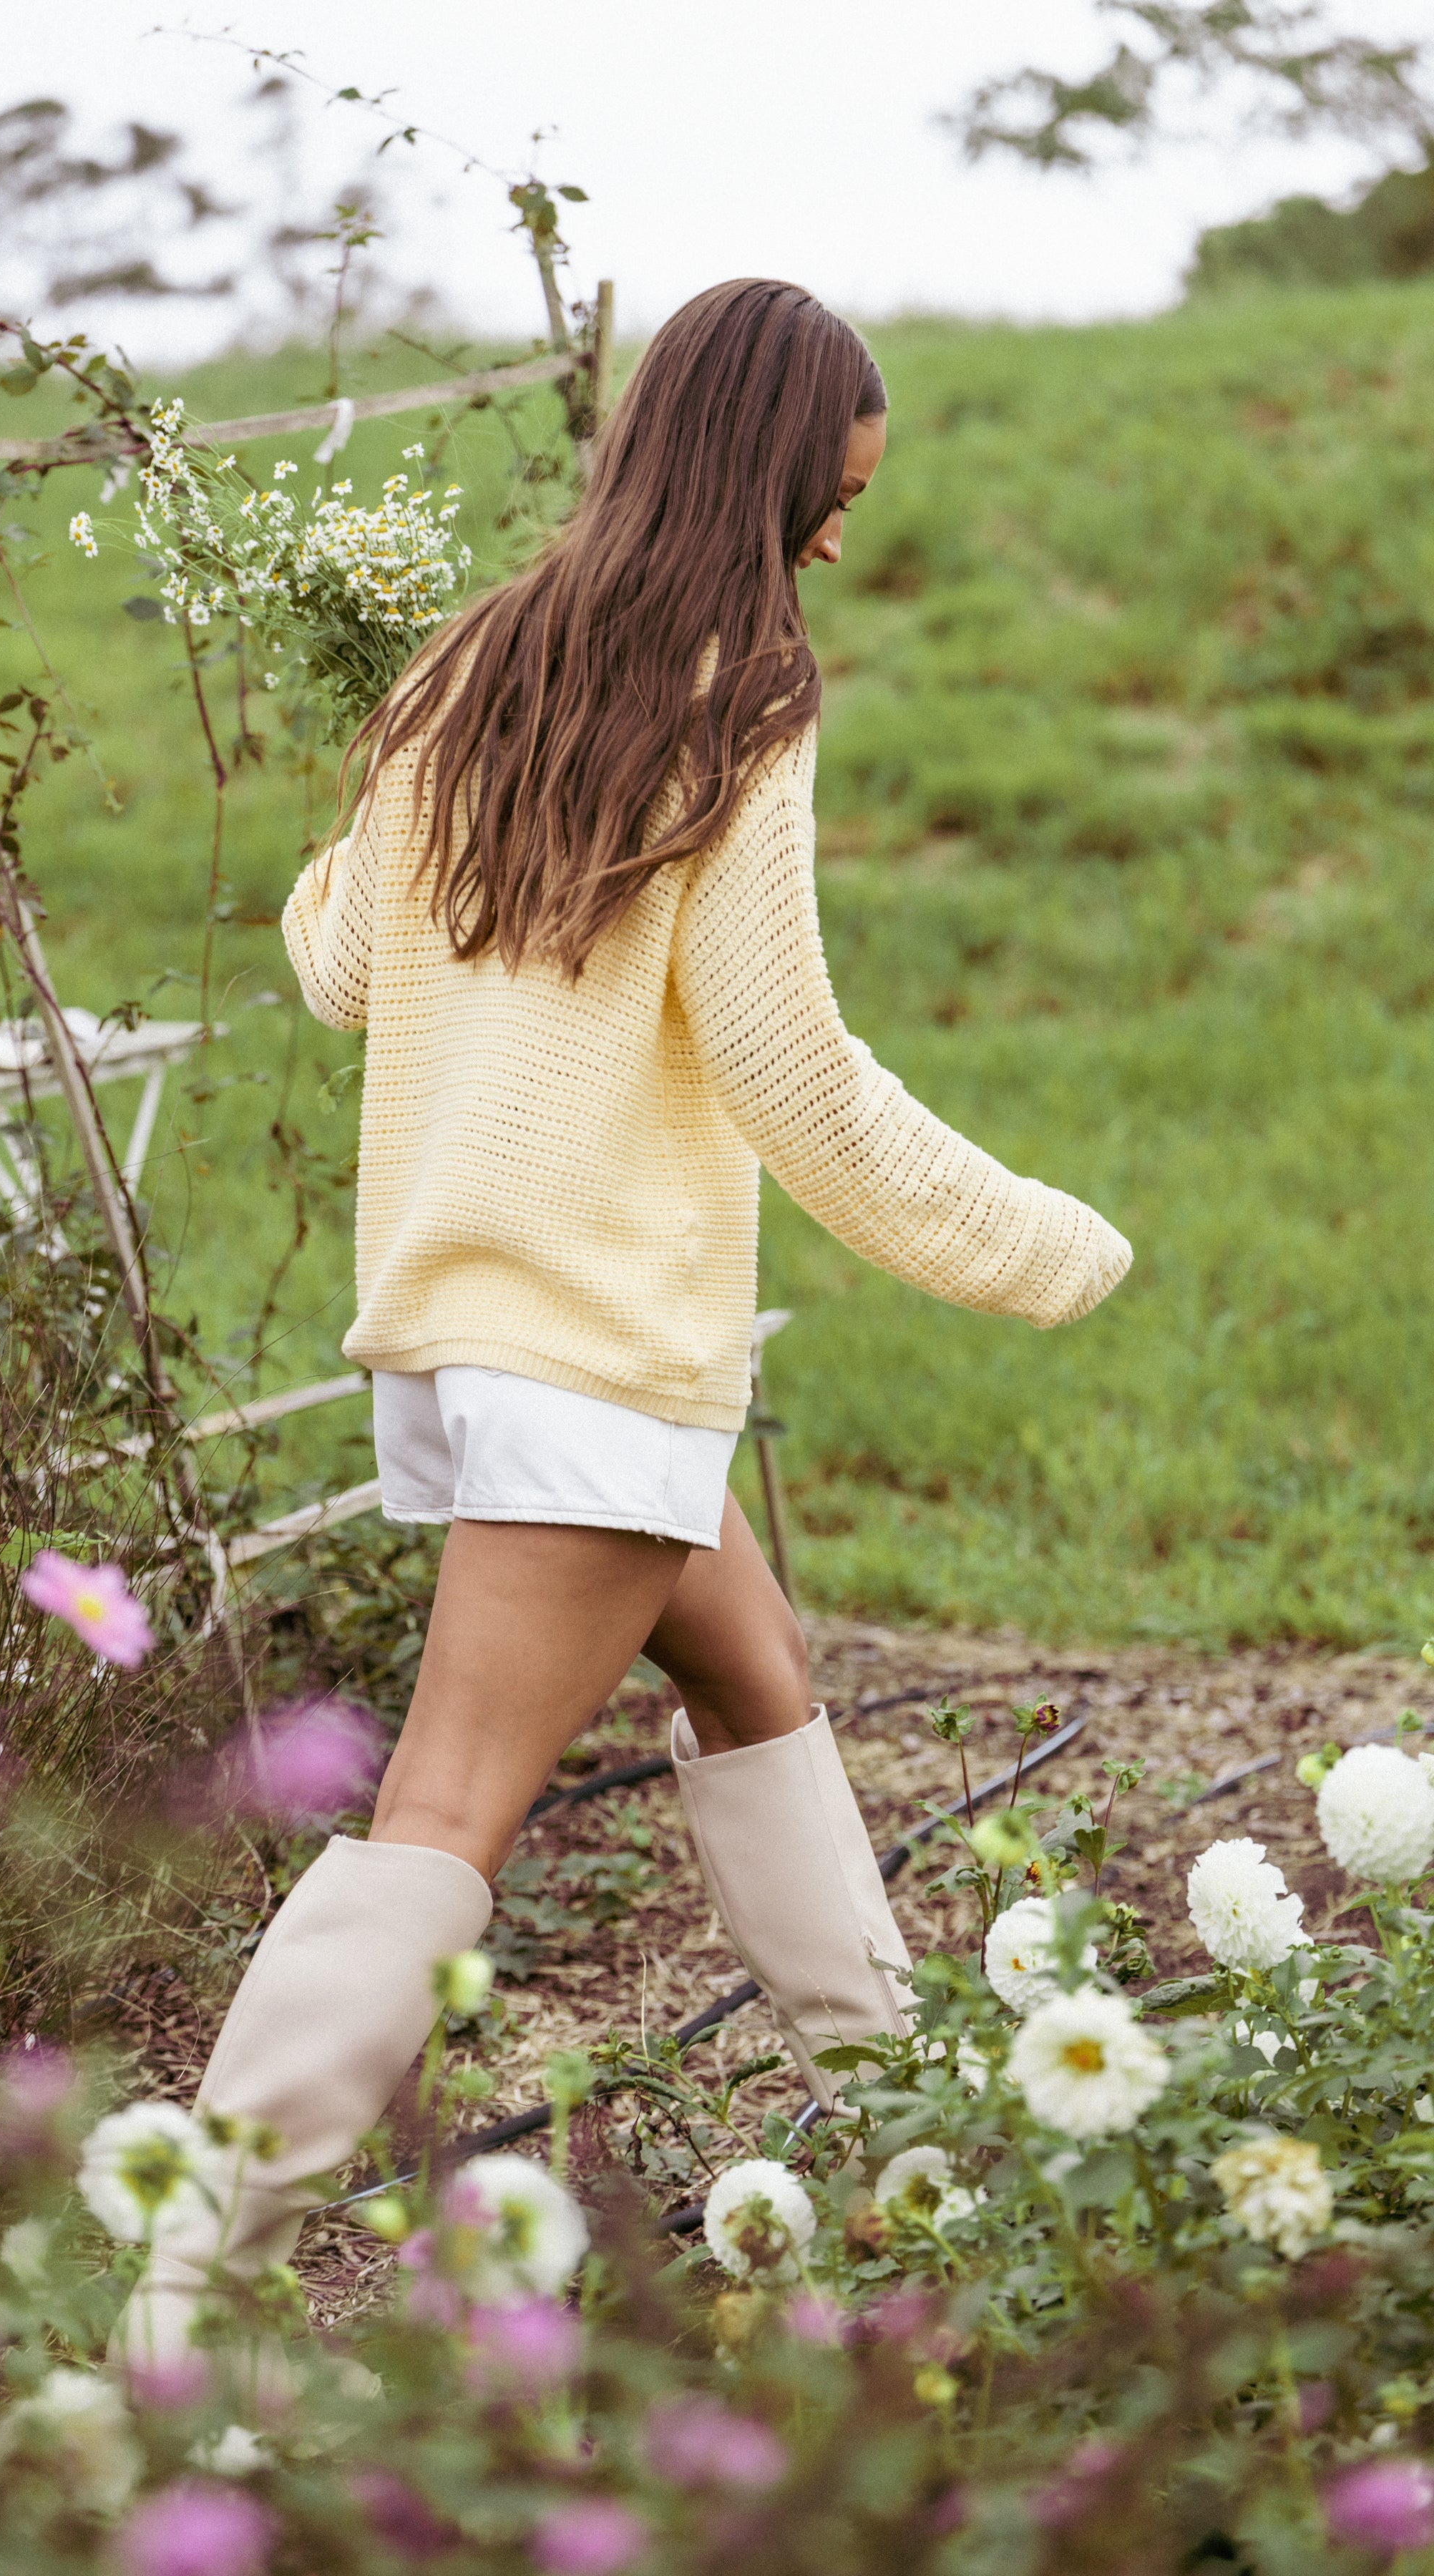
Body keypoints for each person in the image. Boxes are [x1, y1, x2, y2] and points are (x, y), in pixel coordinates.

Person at [122, 277, 1130, 2366]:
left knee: (759, 1682)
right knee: (448, 1808)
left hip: (513, 1339)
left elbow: (337, 967)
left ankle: (939, 2169)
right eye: (826, 505)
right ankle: (172, 2293)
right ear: (764, 477)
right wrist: (1037, 1243)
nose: (837, 545)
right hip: (591, 1352)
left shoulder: (467, 660)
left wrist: (394, 790)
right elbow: (793, 1071)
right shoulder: (738, 695)